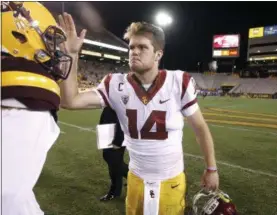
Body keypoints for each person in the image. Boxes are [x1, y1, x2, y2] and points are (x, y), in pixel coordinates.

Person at [58, 13, 219, 215]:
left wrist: (211, 168)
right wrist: (72, 54)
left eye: (142, 47)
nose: (134, 52)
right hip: (136, 178)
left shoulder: (179, 81)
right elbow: (69, 101)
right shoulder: (114, 84)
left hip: (171, 179)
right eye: (132, 47)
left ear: (158, 54)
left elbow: (200, 128)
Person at [1, 2, 73, 214]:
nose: (56, 52)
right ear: (18, 35)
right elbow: (7, 196)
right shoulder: (25, 99)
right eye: (49, 41)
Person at [99, 106, 129, 201]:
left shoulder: (119, 93)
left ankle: (114, 192)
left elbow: (122, 115)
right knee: (108, 157)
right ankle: (134, 178)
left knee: (115, 163)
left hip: (115, 132)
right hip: (106, 128)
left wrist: (118, 140)